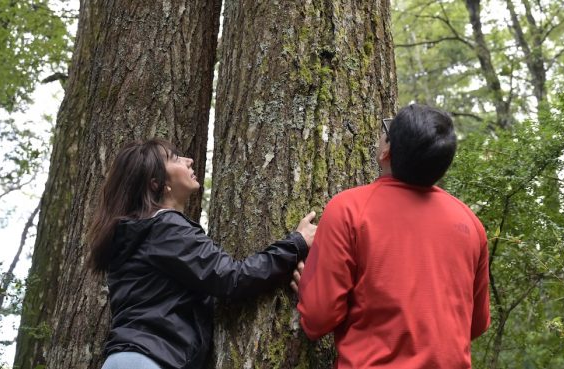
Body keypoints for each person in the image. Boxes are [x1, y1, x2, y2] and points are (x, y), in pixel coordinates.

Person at [87, 139, 317, 369]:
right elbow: (232, 278)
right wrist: (296, 243)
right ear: (157, 183)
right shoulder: (165, 229)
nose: (189, 161)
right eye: (175, 159)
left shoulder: (136, 234)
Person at [293, 104, 490, 368]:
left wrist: (309, 285)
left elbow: (318, 319)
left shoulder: (349, 210)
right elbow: (475, 324)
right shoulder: (470, 225)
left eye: (386, 130)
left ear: (387, 150)